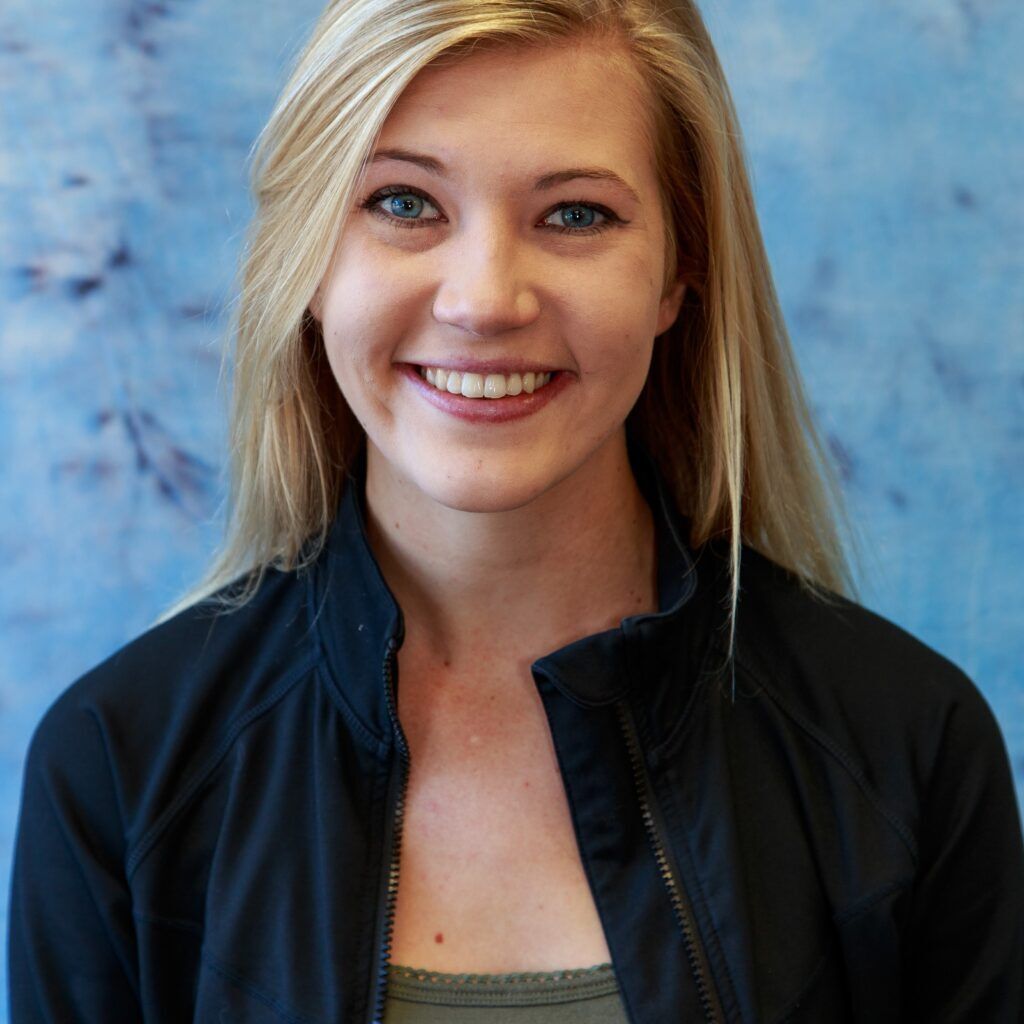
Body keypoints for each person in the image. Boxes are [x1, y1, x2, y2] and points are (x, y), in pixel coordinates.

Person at [8, 0, 1023, 1020]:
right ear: (306, 259)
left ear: (680, 273)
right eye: (403, 202)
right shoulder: (118, 769)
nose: (485, 300)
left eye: (576, 214)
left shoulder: (907, 748)